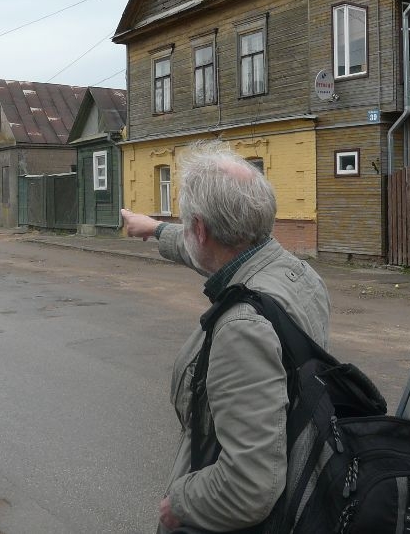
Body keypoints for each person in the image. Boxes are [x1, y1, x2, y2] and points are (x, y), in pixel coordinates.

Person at [121, 140, 331, 533]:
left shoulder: (243, 329)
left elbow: (248, 486)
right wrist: (155, 230)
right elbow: (215, 258)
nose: (188, 233)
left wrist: (178, 505)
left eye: (189, 226)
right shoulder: (295, 273)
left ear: (199, 229)